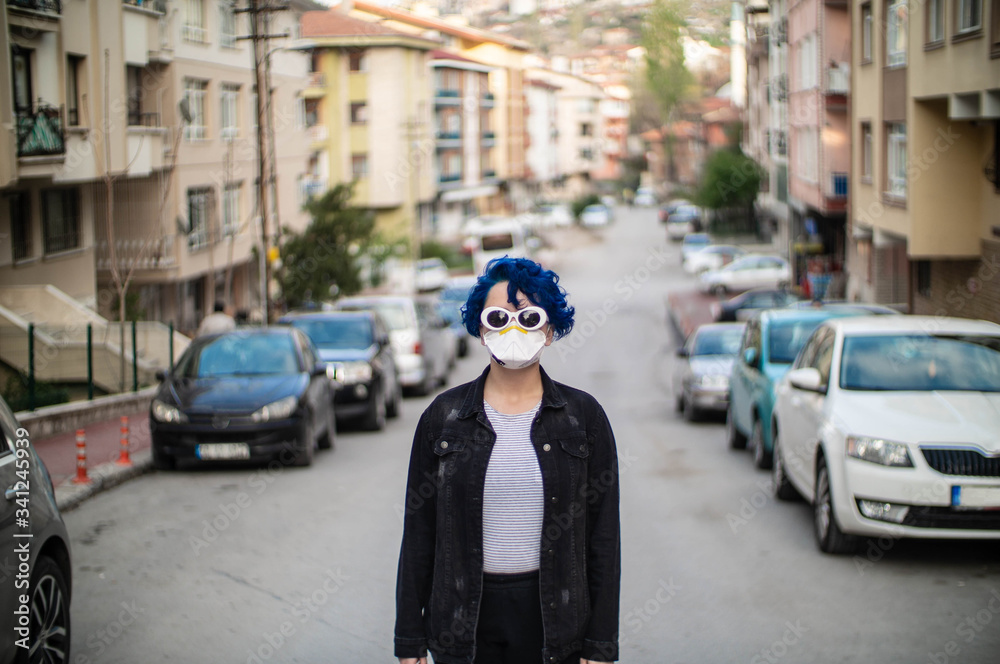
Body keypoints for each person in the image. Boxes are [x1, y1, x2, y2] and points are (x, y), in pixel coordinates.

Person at [394, 257, 620, 664]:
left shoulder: (584, 418)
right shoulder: (442, 418)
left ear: (550, 330)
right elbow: (419, 532)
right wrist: (410, 639)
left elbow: (603, 538)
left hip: (556, 621)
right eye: (498, 318)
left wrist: (600, 643)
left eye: (529, 318)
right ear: (481, 330)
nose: (513, 329)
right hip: (464, 620)